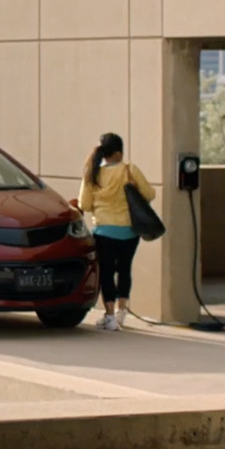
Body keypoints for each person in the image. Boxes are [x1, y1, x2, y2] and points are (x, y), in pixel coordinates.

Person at [76, 131, 154, 332]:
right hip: (129, 231)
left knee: (107, 273)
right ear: (119, 152)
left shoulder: (92, 173)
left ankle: (109, 316)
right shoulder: (129, 170)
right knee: (125, 269)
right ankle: (122, 312)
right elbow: (150, 194)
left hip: (104, 231)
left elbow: (84, 203)